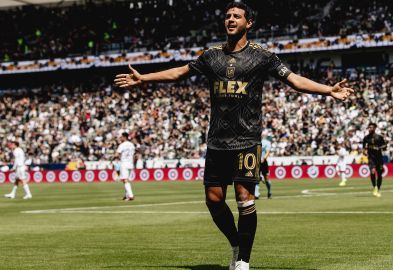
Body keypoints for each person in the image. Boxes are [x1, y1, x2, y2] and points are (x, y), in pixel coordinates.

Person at [114, 2, 353, 269]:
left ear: (248, 23)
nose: (230, 19)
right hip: (217, 141)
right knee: (213, 200)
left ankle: (243, 261)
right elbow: (179, 72)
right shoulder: (211, 56)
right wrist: (144, 78)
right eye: (227, 16)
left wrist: (328, 90)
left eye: (236, 16)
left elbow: (295, 80)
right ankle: (236, 243)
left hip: (247, 140)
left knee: (244, 198)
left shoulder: (263, 56)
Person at [363, 123, 386, 197]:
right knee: (372, 172)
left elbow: (385, 145)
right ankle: (375, 187)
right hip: (371, 158)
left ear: (375, 128)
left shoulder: (379, 137)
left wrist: (379, 148)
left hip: (379, 158)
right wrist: (365, 151)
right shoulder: (366, 138)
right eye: (369, 127)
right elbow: (364, 148)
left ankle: (378, 188)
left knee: (379, 174)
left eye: (371, 127)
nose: (369, 129)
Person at [114, 132, 136, 201]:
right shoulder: (132, 144)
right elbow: (134, 154)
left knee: (125, 180)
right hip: (130, 164)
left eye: (121, 137)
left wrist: (113, 157)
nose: (120, 138)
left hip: (124, 163)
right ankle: (126, 195)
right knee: (126, 180)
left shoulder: (122, 145)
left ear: (124, 137)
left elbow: (117, 154)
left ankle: (131, 195)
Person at [254, 131, 272, 199]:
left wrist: (264, 158)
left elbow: (268, 152)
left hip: (263, 162)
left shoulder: (267, 142)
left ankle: (269, 192)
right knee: (256, 178)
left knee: (266, 179)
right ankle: (256, 194)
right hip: (256, 162)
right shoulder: (254, 142)